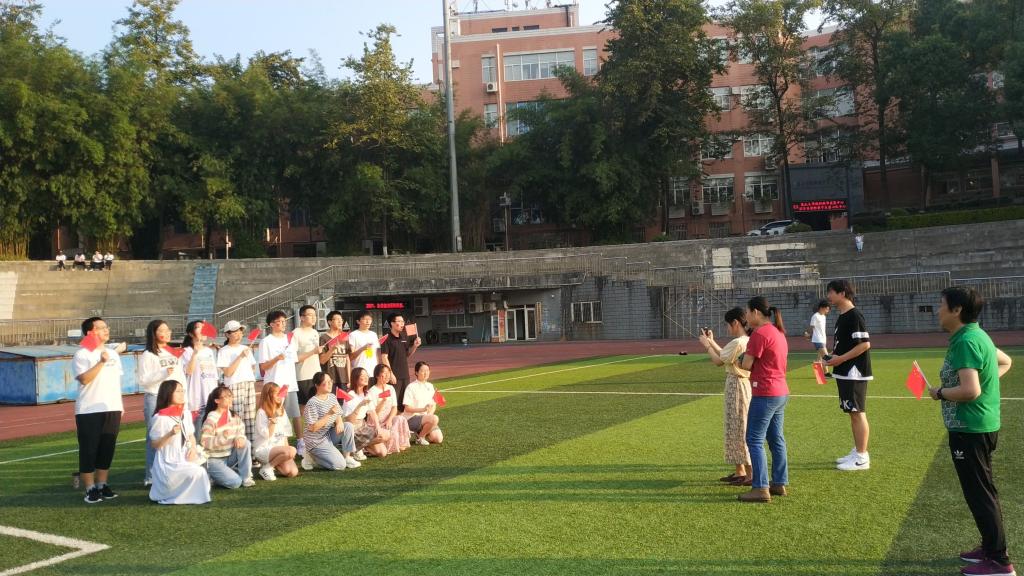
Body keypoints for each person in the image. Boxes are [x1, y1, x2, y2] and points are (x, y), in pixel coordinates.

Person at [928, 287, 1015, 576]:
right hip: (978, 426)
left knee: (980, 494)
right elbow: (1005, 362)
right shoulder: (976, 335)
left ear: (956, 310)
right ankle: (991, 548)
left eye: (941, 305)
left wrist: (940, 393)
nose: (938, 310)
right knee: (981, 491)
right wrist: (988, 382)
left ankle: (999, 562)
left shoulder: (966, 341)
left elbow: (970, 390)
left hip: (970, 429)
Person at [736, 296, 788, 503]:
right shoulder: (777, 332)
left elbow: (746, 365)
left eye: (748, 312)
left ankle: (760, 487)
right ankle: (779, 482)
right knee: (776, 439)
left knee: (754, 440)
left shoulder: (759, 334)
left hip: (765, 391)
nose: (746, 317)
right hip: (780, 391)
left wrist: (740, 359)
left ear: (756, 312)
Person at [73, 317, 126, 504]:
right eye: (101, 328)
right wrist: (101, 362)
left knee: (107, 448)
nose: (106, 330)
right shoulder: (82, 354)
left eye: (106, 327)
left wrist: (120, 405)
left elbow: (116, 382)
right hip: (89, 409)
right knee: (89, 449)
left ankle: (102, 484)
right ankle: (90, 488)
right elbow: (84, 379)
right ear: (90, 332)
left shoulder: (113, 354)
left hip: (111, 407)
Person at [699, 308, 752, 486]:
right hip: (741, 384)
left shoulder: (738, 342)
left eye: (728, 325)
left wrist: (707, 345)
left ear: (735, 323)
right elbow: (725, 356)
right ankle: (740, 471)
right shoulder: (745, 340)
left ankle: (749, 473)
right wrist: (711, 341)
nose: (728, 328)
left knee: (739, 428)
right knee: (736, 427)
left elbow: (718, 361)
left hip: (736, 384)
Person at [825, 280, 873, 472]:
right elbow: (846, 344)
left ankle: (861, 457)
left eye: (831, 292)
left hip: (854, 372)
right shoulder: (843, 315)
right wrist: (833, 357)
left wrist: (841, 359)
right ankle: (858, 450)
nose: (828, 296)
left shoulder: (854, 315)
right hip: (845, 371)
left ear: (842, 293)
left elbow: (864, 344)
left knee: (857, 413)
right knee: (852, 413)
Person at [137, 319, 186, 486]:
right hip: (156, 397)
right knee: (155, 436)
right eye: (162, 330)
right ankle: (151, 475)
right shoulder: (148, 355)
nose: (167, 333)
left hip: (174, 400)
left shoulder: (172, 352)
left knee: (176, 434)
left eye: (168, 329)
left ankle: (173, 470)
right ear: (154, 333)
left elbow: (180, 376)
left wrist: (183, 396)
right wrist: (163, 373)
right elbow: (143, 380)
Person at [148, 380, 211, 505]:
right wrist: (170, 434)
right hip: (168, 461)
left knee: (202, 469)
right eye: (178, 391)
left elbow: (190, 435)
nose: (182, 394)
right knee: (199, 472)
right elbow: (155, 444)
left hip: (184, 455)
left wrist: (193, 449)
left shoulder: (185, 413)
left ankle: (189, 493)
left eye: (183, 391)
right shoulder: (160, 417)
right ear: (168, 393)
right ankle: (174, 493)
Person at [258, 310, 302, 458]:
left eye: (284, 321)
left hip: (290, 383)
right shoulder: (266, 341)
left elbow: (295, 360)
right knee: (274, 416)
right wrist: (277, 358)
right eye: (279, 322)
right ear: (271, 324)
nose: (283, 324)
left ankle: (300, 442)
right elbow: (263, 367)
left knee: (295, 415)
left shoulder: (290, 340)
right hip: (275, 386)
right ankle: (274, 443)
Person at [301, 372, 360, 470]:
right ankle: (312, 458)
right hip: (315, 441)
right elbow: (312, 428)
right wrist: (328, 414)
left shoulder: (331, 396)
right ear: (317, 385)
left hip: (328, 435)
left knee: (348, 426)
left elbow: (337, 413)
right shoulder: (312, 403)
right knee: (340, 465)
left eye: (330, 381)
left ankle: (347, 457)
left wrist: (339, 422)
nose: (329, 384)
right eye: (326, 382)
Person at [200, 386, 254, 489]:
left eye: (230, 396)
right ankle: (212, 475)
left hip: (228, 456)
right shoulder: (211, 418)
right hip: (213, 460)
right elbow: (204, 442)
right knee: (236, 483)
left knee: (246, 443)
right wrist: (222, 437)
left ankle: (246, 477)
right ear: (217, 401)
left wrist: (240, 437)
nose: (230, 398)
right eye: (226, 396)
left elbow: (241, 429)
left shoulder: (233, 416)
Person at [217, 320, 258, 444]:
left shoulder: (245, 348)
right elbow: (228, 373)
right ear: (227, 334)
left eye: (240, 331)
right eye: (235, 332)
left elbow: (252, 367)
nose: (239, 334)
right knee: (236, 418)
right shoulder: (223, 351)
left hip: (249, 383)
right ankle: (236, 447)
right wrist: (240, 357)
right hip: (234, 385)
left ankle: (250, 448)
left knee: (250, 419)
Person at [253, 383, 299, 481]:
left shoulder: (281, 410)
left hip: (279, 449)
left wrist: (288, 454)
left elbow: (285, 432)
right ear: (269, 395)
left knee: (292, 472)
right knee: (292, 450)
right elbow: (267, 435)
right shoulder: (261, 412)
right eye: (276, 393)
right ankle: (267, 468)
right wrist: (273, 419)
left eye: (280, 392)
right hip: (264, 449)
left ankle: (270, 465)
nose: (279, 395)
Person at [181, 320, 219, 437]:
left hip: (211, 396)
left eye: (204, 327)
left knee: (211, 433)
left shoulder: (209, 351)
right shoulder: (186, 351)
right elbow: (188, 371)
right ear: (190, 333)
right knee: (196, 434)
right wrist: (195, 353)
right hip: (196, 398)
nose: (203, 330)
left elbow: (214, 375)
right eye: (199, 328)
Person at [343, 367, 390, 458]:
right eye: (363, 375)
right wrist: (360, 405)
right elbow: (349, 420)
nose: (366, 377)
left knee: (383, 452)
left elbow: (372, 412)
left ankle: (359, 448)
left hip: (363, 426)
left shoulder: (366, 394)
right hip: (354, 428)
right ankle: (354, 448)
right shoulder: (350, 395)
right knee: (384, 436)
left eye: (367, 375)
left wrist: (378, 427)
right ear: (355, 378)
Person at [380, 312, 421, 411]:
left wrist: (415, 346)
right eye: (399, 321)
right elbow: (384, 357)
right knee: (393, 403)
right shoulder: (386, 338)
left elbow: (407, 354)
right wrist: (390, 374)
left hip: (405, 375)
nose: (402, 324)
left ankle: (401, 420)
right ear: (392, 323)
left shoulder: (404, 337)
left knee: (404, 403)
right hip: (394, 376)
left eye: (403, 321)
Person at [369, 363, 411, 455]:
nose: (388, 375)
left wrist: (389, 419)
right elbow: (373, 413)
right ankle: (385, 444)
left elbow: (394, 407)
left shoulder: (390, 388)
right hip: (376, 423)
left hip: (388, 421)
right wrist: (382, 402)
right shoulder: (372, 391)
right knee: (383, 447)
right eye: (385, 373)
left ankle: (400, 443)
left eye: (388, 372)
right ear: (377, 375)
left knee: (400, 418)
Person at [293, 305, 322, 434]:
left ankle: (317, 434)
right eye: (310, 315)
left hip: (316, 374)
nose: (314, 317)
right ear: (302, 317)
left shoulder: (315, 333)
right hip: (303, 375)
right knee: (303, 409)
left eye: (315, 315)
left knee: (317, 406)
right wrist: (312, 352)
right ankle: (303, 437)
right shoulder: (296, 333)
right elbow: (295, 358)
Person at [403, 361, 444, 445]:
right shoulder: (411, 387)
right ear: (416, 373)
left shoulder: (430, 386)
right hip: (411, 418)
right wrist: (423, 410)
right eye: (422, 371)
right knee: (434, 418)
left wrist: (429, 415)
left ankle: (421, 432)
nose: (426, 373)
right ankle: (421, 437)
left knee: (438, 439)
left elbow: (433, 404)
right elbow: (407, 408)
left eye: (427, 370)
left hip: (425, 419)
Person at [319, 310, 350, 392]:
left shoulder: (344, 337)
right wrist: (332, 349)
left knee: (343, 400)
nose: (340, 322)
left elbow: (347, 359)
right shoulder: (324, 338)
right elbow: (322, 360)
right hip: (330, 378)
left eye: (341, 320)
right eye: (337, 319)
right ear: (329, 322)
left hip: (343, 378)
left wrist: (349, 379)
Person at [804, 300, 831, 377]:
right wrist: (807, 334)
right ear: (822, 308)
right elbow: (811, 327)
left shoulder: (823, 316)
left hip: (823, 339)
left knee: (820, 358)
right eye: (827, 309)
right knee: (826, 356)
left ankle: (819, 374)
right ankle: (826, 373)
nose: (828, 311)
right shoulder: (815, 316)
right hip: (818, 340)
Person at [348, 310, 380, 375]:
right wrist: (363, 348)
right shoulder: (353, 335)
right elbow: (350, 356)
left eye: (370, 319)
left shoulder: (374, 334)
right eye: (365, 319)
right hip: (359, 371)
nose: (368, 322)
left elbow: (377, 354)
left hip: (373, 371)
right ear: (358, 321)